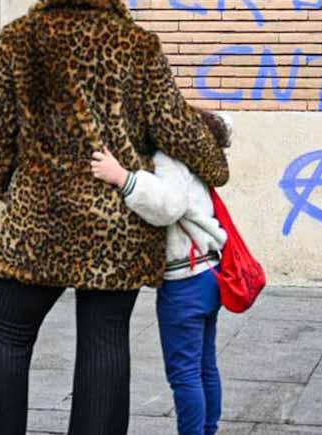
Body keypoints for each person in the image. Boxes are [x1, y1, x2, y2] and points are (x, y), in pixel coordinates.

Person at [0, 0, 229, 435]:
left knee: (7, 334)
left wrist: (9, 185)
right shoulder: (138, 46)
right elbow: (172, 126)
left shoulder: (19, 36)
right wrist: (216, 166)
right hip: (115, 224)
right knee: (105, 342)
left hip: (37, 221)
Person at [91, 110, 232, 435]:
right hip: (209, 273)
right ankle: (208, 429)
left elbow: (169, 206)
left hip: (185, 281)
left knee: (185, 373)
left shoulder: (169, 160)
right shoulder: (193, 156)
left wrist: (122, 178)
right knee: (204, 365)